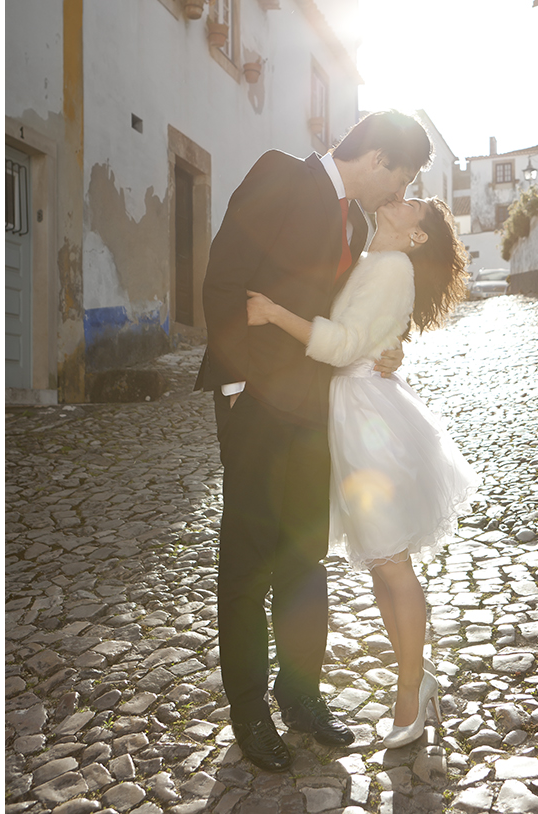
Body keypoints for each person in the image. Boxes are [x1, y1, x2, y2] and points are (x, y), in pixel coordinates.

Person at [194, 110, 431, 771]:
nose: (399, 191)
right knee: (246, 568)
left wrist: (389, 348)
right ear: (379, 158)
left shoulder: (358, 223)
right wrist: (237, 388)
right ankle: (248, 711)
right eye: (402, 177)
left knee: (304, 560)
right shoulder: (277, 175)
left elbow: (351, 318)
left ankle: (300, 696)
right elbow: (222, 280)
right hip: (254, 406)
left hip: (315, 413)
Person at [246, 196, 479, 748]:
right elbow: (368, 334)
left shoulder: (393, 266)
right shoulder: (372, 258)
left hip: (368, 417)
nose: (402, 197)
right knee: (381, 563)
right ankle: (414, 675)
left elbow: (345, 344)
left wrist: (275, 314)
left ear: (417, 236)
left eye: (414, 203)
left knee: (391, 564)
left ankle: (410, 689)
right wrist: (386, 345)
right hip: (354, 409)